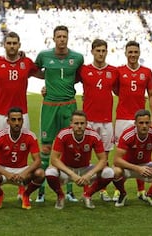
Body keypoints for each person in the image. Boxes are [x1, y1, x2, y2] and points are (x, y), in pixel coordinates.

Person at [0, 31, 41, 200]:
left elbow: (44, 74)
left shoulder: (27, 63)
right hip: (0, 114)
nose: (12, 46)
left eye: (14, 43)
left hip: (21, 113)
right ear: (4, 45)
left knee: (23, 150)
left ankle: (21, 189)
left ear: (19, 45)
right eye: (9, 43)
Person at [35, 25, 84, 203]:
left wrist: (65, 84)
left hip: (69, 106)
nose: (62, 39)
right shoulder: (44, 56)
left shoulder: (77, 57)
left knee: (69, 149)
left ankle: (69, 190)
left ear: (67, 38)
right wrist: (48, 82)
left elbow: (80, 76)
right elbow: (34, 70)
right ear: (53, 38)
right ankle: (41, 191)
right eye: (59, 36)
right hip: (49, 105)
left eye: (64, 36)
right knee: (46, 148)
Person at [113, 40, 152, 202]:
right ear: (125, 53)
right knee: (122, 154)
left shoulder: (147, 72)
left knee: (143, 154)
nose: (132, 55)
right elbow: (114, 90)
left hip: (141, 118)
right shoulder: (119, 71)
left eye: (135, 52)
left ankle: (141, 190)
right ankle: (120, 191)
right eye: (130, 52)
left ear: (139, 53)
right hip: (122, 118)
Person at [45, 110, 114, 209]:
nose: (79, 126)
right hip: (67, 169)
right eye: (76, 123)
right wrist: (72, 174)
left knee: (109, 172)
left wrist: (89, 174)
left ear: (86, 124)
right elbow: (54, 159)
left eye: (82, 123)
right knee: (50, 172)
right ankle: (60, 196)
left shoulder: (93, 135)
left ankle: (88, 195)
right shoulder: (63, 134)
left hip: (85, 168)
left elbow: (103, 160)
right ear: (71, 124)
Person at [78, 39, 119, 202]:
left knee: (105, 159)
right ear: (92, 51)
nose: (101, 54)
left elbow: (117, 91)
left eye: (103, 51)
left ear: (106, 52)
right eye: (98, 50)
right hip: (88, 121)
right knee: (86, 158)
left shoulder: (113, 71)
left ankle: (101, 189)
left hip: (106, 121)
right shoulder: (83, 70)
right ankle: (86, 190)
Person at [0, 107, 45, 209]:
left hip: (22, 170)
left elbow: (37, 160)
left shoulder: (30, 136)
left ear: (22, 120)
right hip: (4, 170)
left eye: (19, 119)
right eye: (13, 120)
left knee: (40, 173)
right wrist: (7, 174)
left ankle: (25, 195)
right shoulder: (0, 136)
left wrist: (24, 173)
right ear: (8, 121)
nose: (17, 123)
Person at [112, 109, 152, 207]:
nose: (144, 126)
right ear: (135, 123)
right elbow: (116, 160)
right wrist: (137, 168)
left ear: (150, 123)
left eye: (147, 123)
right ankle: (122, 194)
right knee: (115, 172)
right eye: (141, 123)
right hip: (129, 167)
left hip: (146, 166)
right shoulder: (128, 135)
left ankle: (150, 194)